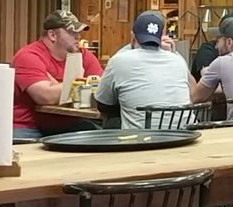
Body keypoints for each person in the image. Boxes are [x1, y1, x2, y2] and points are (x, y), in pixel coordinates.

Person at [11, 10, 103, 139]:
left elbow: (100, 89)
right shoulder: (29, 56)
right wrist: (79, 81)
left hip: (69, 123)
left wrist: (56, 85)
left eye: (78, 32)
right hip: (29, 126)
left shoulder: (83, 55)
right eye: (72, 32)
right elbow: (46, 97)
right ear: (52, 35)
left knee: (99, 136)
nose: (78, 37)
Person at [96, 11, 194, 130]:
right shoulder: (177, 59)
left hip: (142, 139)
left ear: (133, 36)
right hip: (184, 135)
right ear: (161, 36)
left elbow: (103, 104)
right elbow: (193, 95)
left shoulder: (118, 60)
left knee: (110, 123)